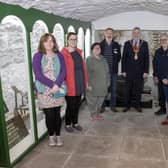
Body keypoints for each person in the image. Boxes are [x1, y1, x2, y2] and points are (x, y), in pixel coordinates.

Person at [32, 33, 66, 147]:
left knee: (57, 114)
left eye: (51, 41)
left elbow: (63, 72)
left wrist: (57, 85)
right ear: (42, 43)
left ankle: (58, 135)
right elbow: (38, 74)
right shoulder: (37, 56)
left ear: (54, 43)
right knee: (49, 115)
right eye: (46, 41)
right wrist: (52, 84)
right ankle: (51, 136)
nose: (49, 43)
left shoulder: (59, 55)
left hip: (58, 88)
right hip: (44, 89)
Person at [61, 32, 88, 132]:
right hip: (70, 84)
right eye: (71, 39)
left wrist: (86, 81)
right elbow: (61, 70)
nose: (74, 41)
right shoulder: (63, 54)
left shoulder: (78, 52)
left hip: (79, 83)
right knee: (70, 106)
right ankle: (68, 124)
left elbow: (83, 68)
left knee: (77, 105)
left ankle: (75, 122)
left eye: (75, 39)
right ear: (67, 40)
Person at [122, 27, 149, 112]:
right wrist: (123, 70)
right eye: (134, 32)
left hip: (140, 72)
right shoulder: (127, 43)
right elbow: (124, 58)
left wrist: (146, 71)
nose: (136, 34)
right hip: (129, 71)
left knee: (138, 90)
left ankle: (137, 106)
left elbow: (147, 58)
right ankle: (127, 106)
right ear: (132, 34)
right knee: (127, 90)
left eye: (138, 33)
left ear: (140, 34)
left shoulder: (144, 44)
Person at [86, 42, 110, 120]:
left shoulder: (103, 59)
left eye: (99, 48)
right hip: (93, 85)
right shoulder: (89, 59)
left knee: (100, 102)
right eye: (96, 48)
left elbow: (107, 72)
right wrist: (88, 84)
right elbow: (87, 73)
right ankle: (93, 115)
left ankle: (97, 114)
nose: (98, 49)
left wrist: (108, 82)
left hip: (103, 85)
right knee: (93, 102)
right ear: (92, 50)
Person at [100, 27, 121, 112]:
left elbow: (119, 57)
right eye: (107, 32)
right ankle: (102, 106)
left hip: (113, 72)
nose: (109, 34)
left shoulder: (116, 45)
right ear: (105, 34)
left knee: (113, 89)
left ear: (113, 34)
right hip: (103, 72)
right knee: (103, 90)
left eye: (111, 33)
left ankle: (113, 106)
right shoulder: (100, 45)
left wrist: (114, 63)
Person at [152, 33, 168, 125]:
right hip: (160, 78)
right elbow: (155, 64)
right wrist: (155, 75)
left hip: (167, 78)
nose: (163, 41)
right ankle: (162, 109)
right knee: (161, 95)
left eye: (165, 39)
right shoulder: (158, 51)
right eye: (161, 40)